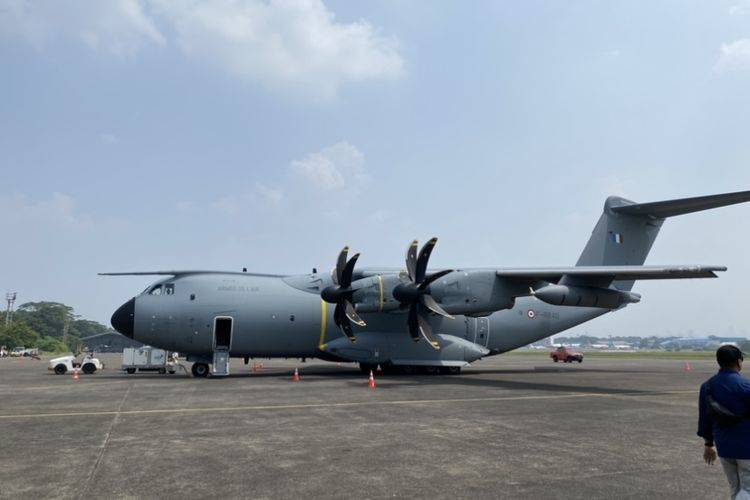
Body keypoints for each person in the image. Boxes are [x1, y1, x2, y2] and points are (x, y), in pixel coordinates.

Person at [698, 345, 750, 499]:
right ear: (738, 362)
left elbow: (704, 418)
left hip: (725, 447)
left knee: (735, 488)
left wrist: (708, 444)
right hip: (747, 448)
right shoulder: (746, 386)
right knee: (747, 491)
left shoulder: (707, 387)